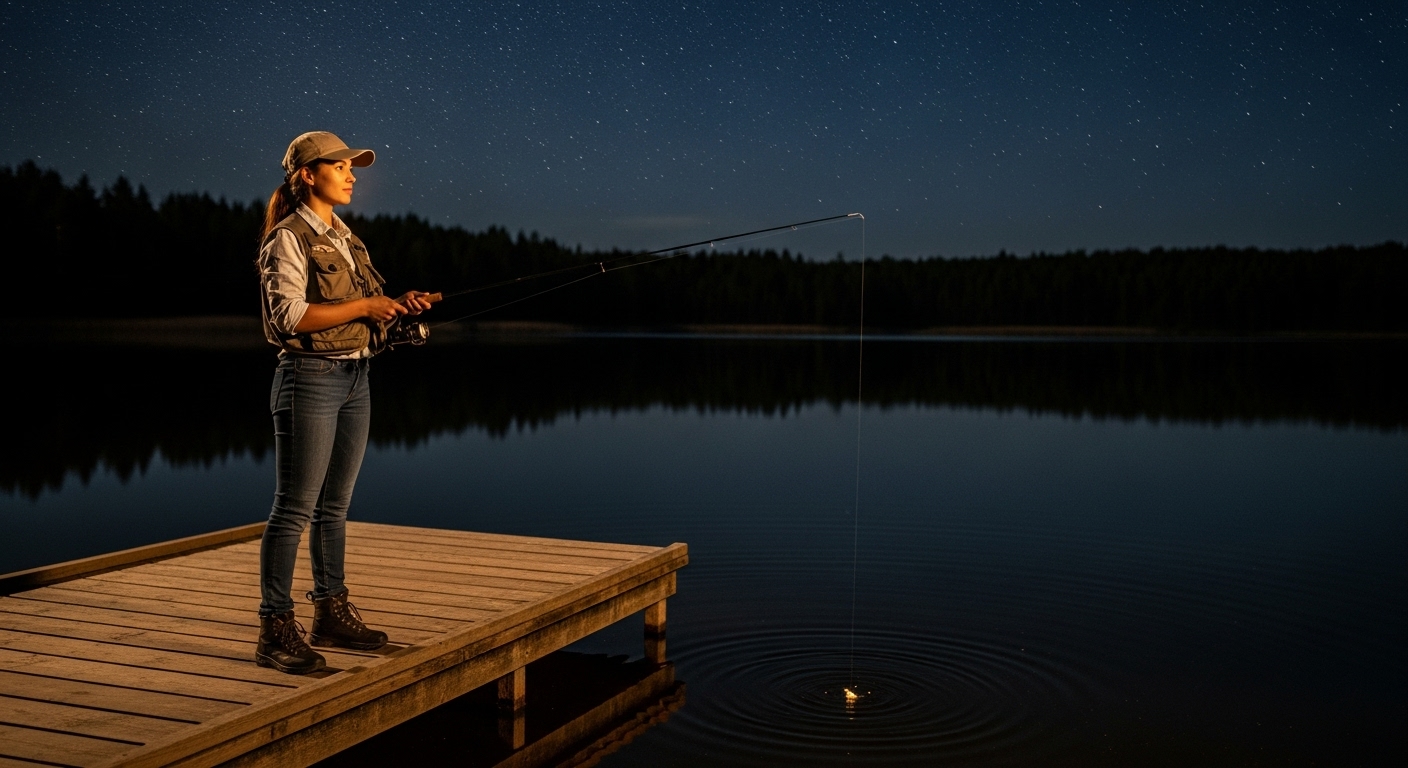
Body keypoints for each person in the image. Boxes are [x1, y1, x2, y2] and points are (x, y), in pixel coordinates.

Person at [254, 131, 433, 674]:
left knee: (335, 507)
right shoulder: (288, 237)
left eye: (353, 167)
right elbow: (288, 318)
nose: (352, 174)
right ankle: (274, 629)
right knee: (294, 508)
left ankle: (330, 612)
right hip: (309, 379)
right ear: (308, 174)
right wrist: (366, 304)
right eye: (340, 165)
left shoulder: (347, 237)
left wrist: (394, 307)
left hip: (357, 378)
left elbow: (356, 309)